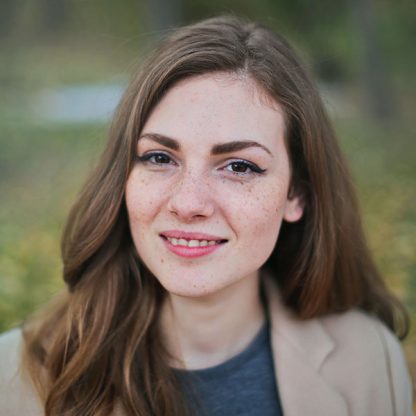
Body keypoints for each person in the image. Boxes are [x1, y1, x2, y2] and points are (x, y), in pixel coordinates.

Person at [0, 15, 412, 416]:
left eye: (239, 166)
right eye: (160, 157)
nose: (188, 202)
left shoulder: (368, 359)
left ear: (296, 194)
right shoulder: (13, 376)